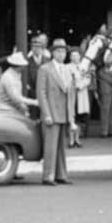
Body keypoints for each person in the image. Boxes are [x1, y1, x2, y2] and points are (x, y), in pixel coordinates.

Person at [37, 38, 76, 185]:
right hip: (51, 113)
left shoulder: (67, 69)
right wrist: (46, 113)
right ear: (53, 53)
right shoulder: (45, 69)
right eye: (58, 51)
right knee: (50, 147)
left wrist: (71, 117)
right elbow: (41, 94)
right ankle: (48, 176)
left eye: (64, 52)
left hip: (63, 113)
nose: (61, 54)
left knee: (61, 147)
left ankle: (61, 174)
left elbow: (70, 94)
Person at [0, 51, 32, 116]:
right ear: (19, 66)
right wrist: (34, 102)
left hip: (13, 108)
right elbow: (15, 98)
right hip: (5, 110)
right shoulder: (9, 77)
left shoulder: (17, 74)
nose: (25, 66)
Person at [67, 49, 90, 147]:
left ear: (80, 57)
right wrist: (72, 84)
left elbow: (88, 79)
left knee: (80, 119)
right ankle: (71, 140)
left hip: (81, 94)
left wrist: (80, 85)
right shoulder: (67, 67)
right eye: (72, 55)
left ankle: (77, 138)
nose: (75, 57)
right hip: (72, 94)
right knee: (72, 118)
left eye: (76, 55)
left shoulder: (84, 67)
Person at [96, 60, 112, 138]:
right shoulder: (101, 71)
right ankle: (104, 131)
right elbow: (109, 79)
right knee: (105, 110)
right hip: (106, 92)